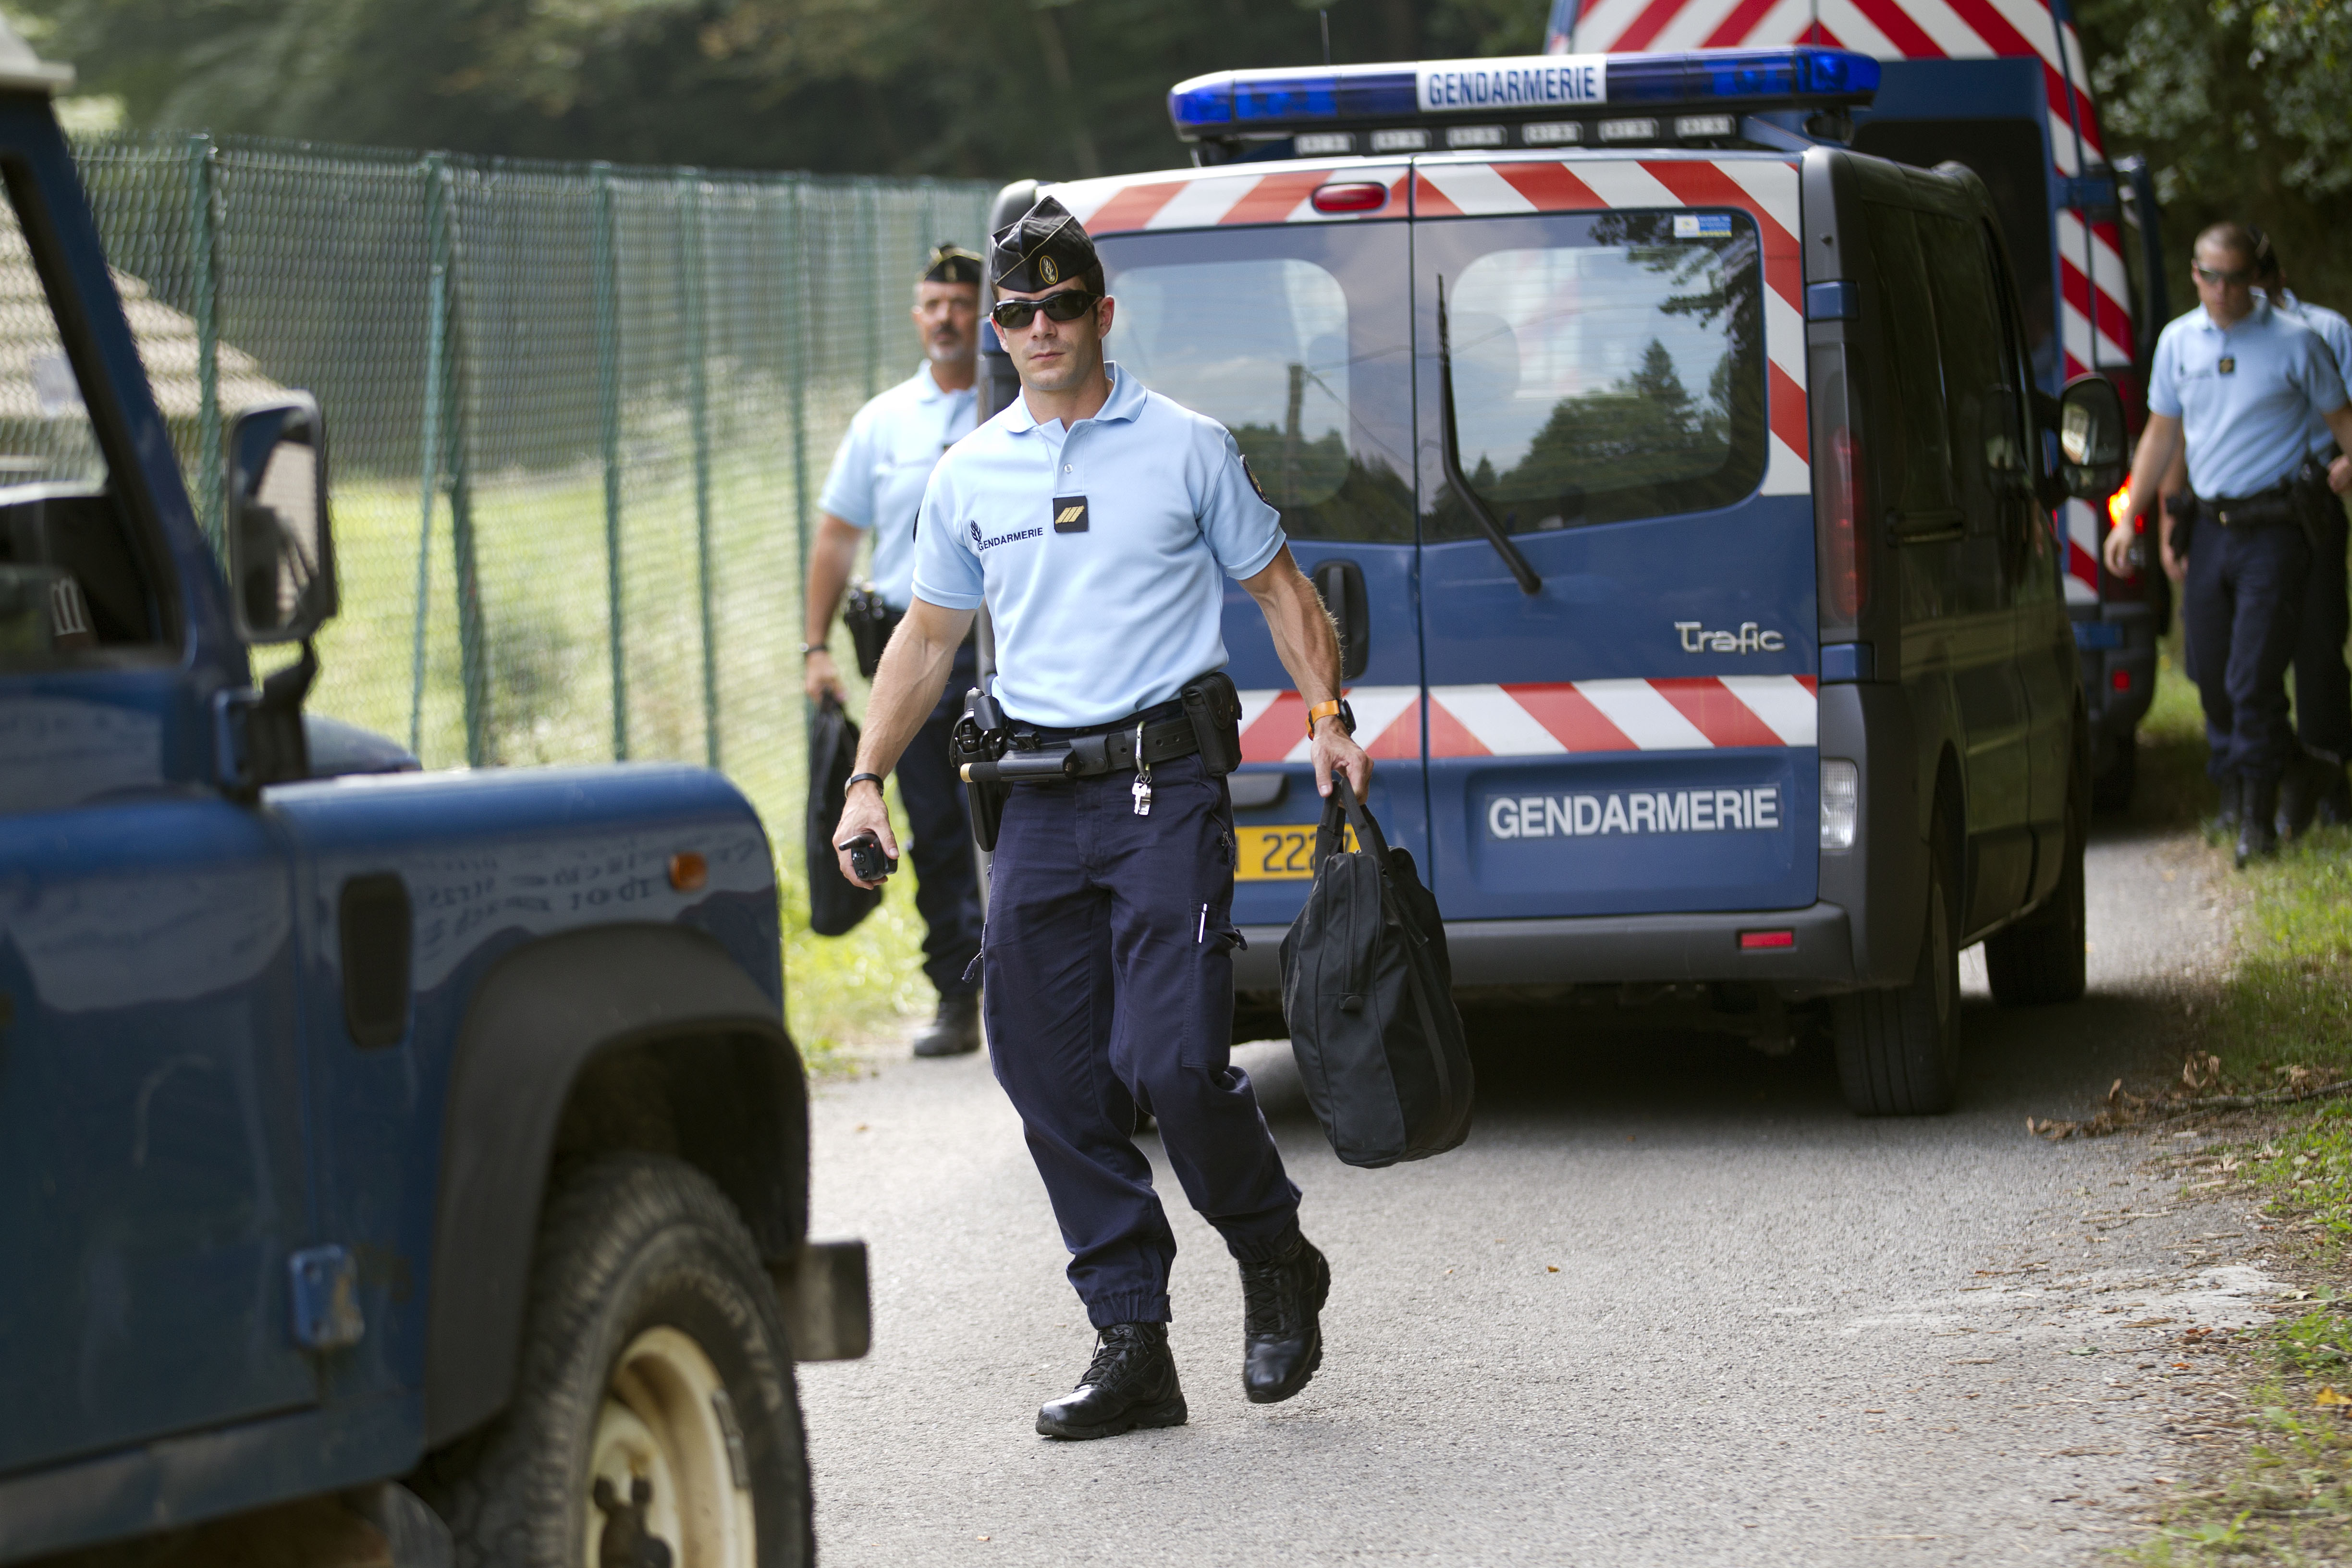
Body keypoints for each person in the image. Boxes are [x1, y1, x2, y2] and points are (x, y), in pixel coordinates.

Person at [830, 195, 1372, 1439]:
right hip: (1030, 804)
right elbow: (926, 637)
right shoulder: (972, 473)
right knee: (1045, 1071)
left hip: (1161, 792)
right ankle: (1132, 1337)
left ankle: (1274, 1253)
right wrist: (867, 781)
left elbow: (1281, 591)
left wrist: (1328, 717)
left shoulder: (1184, 446)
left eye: (1058, 306)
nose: (1033, 329)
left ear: (1102, 314)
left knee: (1174, 1064)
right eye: (1013, 314)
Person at [2104, 222, 2352, 865]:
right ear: (2194, 274)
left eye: (2234, 278)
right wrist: (2130, 515)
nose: (2220, 290)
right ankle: (2303, 766)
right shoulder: (2179, 342)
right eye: (2208, 276)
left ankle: (2256, 819)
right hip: (2212, 527)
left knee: (2252, 678)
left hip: (2276, 527)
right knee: (2210, 674)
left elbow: (2343, 421)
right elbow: (2161, 436)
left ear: (2256, 279)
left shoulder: (2298, 342)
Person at [803, 244, 988, 1058]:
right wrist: (814, 645)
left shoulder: (1011, 400)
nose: (946, 317)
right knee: (938, 828)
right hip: (918, 655)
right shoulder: (882, 422)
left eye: (961, 302)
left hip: (1009, 647)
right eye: (932, 304)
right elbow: (839, 538)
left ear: (987, 311)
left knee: (1027, 818)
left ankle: (1043, 980)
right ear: (917, 315)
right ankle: (960, 989)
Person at [2252, 231, 2352, 833]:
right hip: (2255, 512)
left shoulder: (2328, 332)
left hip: (2314, 501)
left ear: (2276, 279)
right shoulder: (2221, 336)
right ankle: (2270, 773)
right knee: (2254, 653)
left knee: (2319, 646)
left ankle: (2333, 775)